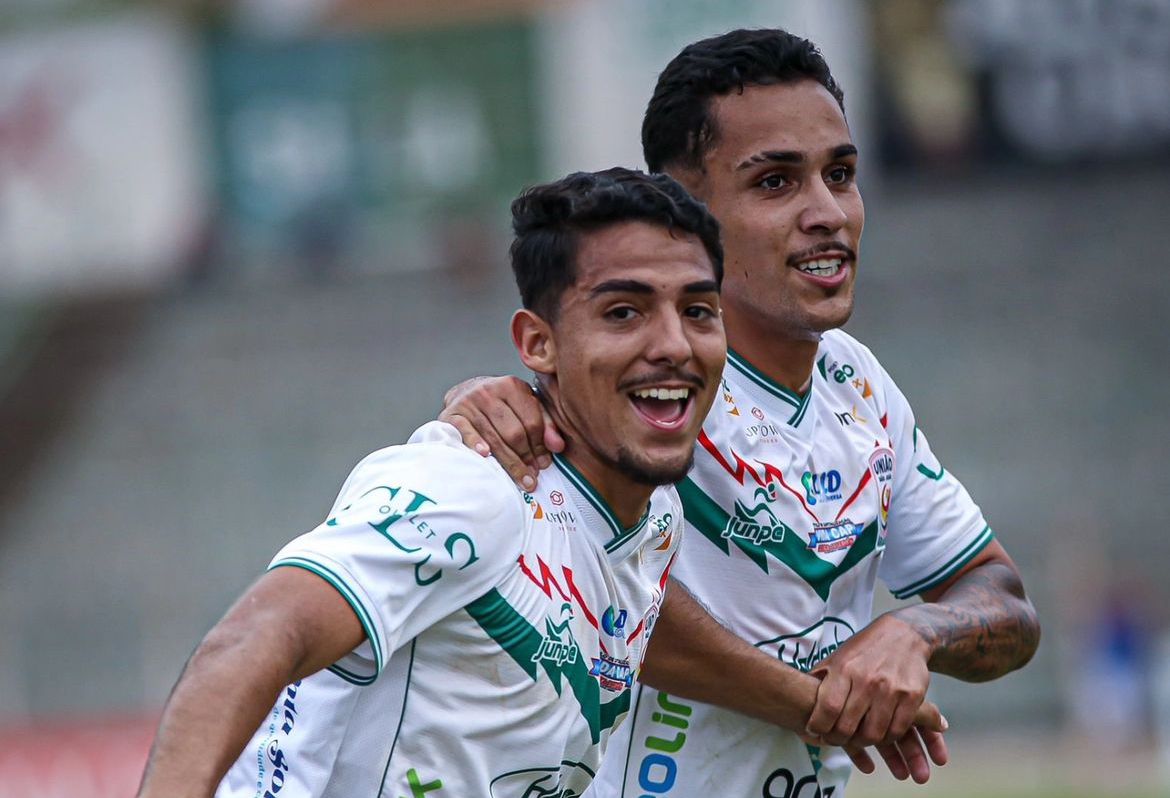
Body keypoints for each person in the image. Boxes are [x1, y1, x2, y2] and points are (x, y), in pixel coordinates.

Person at [441, 29, 1041, 798]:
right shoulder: (635, 384)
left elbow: (1008, 606)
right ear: (689, 216)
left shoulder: (857, 386)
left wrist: (911, 633)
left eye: (842, 174)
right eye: (776, 183)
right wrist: (828, 705)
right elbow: (611, 597)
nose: (828, 212)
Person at [135, 168, 732, 798]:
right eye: (623, 312)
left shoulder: (654, 518)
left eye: (697, 310)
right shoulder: (476, 488)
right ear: (538, 343)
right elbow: (254, 637)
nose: (673, 343)